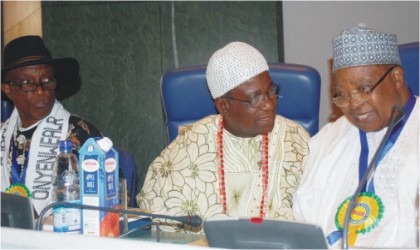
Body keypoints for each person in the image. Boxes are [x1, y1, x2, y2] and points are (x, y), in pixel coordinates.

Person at [136, 41, 310, 232]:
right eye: (255, 98)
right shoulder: (189, 147)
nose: (269, 104)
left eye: (270, 91)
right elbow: (157, 216)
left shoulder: (297, 140)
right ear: (223, 106)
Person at [293, 24, 418, 248]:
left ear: (397, 78)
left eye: (363, 89)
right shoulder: (329, 139)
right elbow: (302, 222)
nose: (353, 105)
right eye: (341, 95)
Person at [1, 35, 103, 217]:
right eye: (27, 83)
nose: (41, 91)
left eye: (47, 80)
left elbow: (113, 198)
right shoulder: (3, 134)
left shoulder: (80, 134)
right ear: (8, 90)